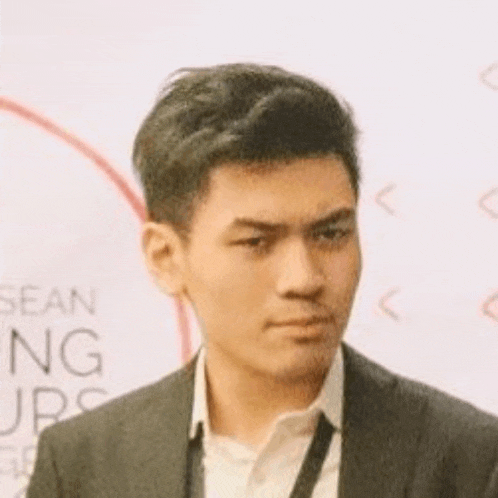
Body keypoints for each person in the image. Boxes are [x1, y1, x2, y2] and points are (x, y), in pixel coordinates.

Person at [28, 63, 498, 498]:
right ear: (166, 256)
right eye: (257, 243)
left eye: (331, 234)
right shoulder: (82, 464)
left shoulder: (468, 461)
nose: (304, 279)